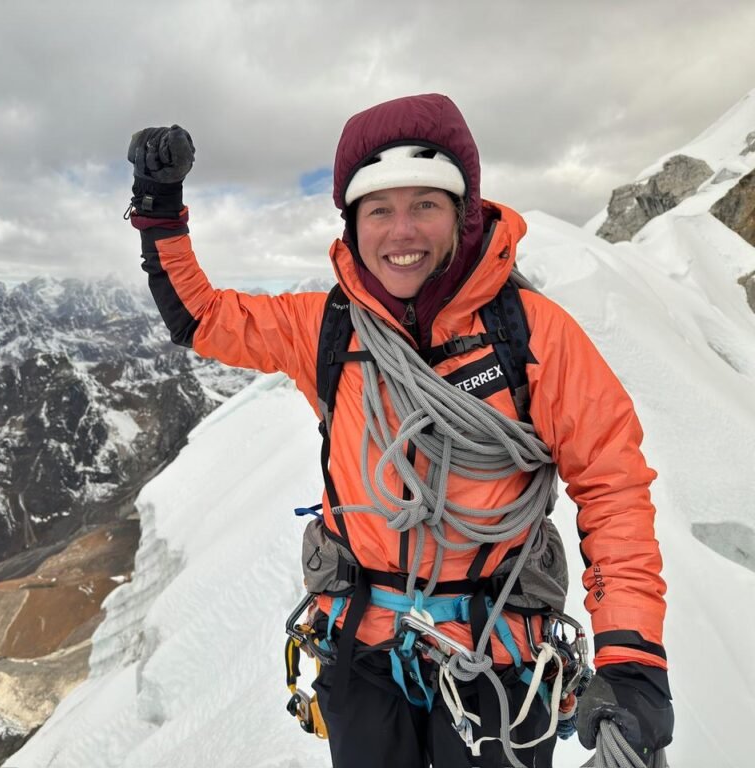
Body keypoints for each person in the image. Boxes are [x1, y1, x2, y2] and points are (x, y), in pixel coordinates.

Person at [125, 94, 673, 768]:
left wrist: (632, 651)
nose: (401, 231)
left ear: (463, 214)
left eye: (425, 205)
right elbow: (200, 317)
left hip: (495, 656)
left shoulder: (530, 336)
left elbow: (612, 483)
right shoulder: (328, 328)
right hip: (363, 653)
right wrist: (158, 211)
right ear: (353, 226)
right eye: (378, 210)